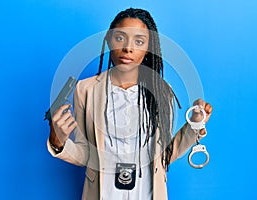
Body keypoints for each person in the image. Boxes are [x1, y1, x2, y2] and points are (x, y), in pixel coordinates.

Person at [47, 8, 213, 200]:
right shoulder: (85, 90)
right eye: (120, 38)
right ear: (109, 40)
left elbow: (164, 155)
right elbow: (85, 153)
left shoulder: (161, 91)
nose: (128, 48)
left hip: (147, 193)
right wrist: (58, 142)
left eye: (139, 41)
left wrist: (194, 125)